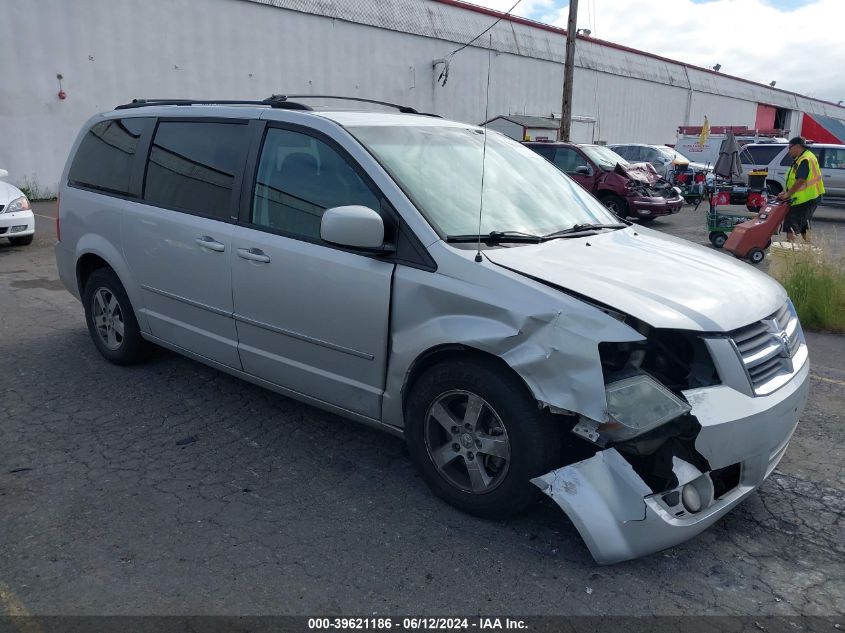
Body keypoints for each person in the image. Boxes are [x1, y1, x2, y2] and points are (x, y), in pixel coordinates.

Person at [777, 137, 825, 242]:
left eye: (789, 148)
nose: (788, 150)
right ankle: (808, 251)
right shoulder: (803, 158)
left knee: (791, 225)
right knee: (804, 226)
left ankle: (790, 251)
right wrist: (786, 191)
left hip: (804, 199)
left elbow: (800, 180)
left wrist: (787, 194)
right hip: (810, 197)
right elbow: (794, 179)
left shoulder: (805, 159)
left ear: (798, 146)